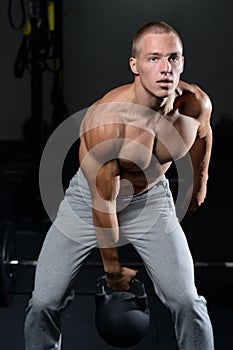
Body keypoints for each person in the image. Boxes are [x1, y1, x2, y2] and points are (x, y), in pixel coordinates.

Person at [24, 21, 215, 349]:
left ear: (183, 61)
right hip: (90, 202)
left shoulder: (195, 103)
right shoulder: (108, 125)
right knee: (43, 303)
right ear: (135, 65)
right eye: (153, 58)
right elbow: (104, 205)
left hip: (151, 198)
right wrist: (113, 270)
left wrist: (200, 183)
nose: (165, 68)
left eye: (174, 58)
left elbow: (203, 134)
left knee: (187, 301)